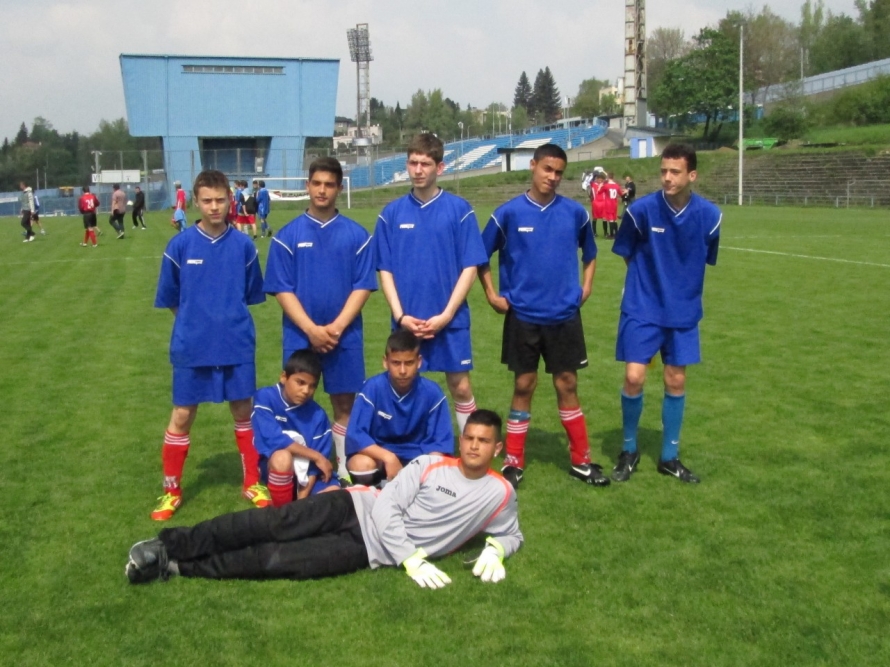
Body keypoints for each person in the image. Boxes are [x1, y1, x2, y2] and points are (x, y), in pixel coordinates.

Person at [125, 409, 521, 587]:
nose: (473, 446)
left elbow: (511, 532)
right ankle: (168, 543)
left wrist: (496, 549)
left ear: (497, 448)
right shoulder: (431, 464)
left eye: (483, 441)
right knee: (270, 523)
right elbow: (387, 506)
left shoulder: (500, 493)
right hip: (354, 506)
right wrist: (411, 558)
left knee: (280, 561)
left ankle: (176, 567)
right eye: (469, 438)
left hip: (367, 551)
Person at [478, 143, 608, 490]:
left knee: (567, 383)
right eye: (547, 169)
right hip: (523, 315)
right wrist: (491, 294)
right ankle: (513, 461)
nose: (553, 177)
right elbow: (479, 254)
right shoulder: (508, 213)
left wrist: (586, 287)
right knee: (524, 384)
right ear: (533, 166)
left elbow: (590, 253)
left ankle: (581, 460)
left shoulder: (575, 213)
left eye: (559, 172)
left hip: (563, 315)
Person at [151, 169, 269, 521]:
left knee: (243, 411)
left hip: (236, 344)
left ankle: (252, 482)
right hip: (192, 346)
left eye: (220, 200)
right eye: (207, 201)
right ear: (195, 201)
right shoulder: (180, 245)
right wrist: (194, 321)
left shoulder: (244, 246)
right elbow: (172, 298)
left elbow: (250, 294)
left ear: (230, 200)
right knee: (182, 414)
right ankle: (171, 491)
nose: (214, 207)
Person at [611, 143, 721, 484]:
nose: (667, 178)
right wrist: (646, 285)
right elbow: (626, 252)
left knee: (676, 380)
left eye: (675, 172)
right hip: (642, 307)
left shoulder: (710, 216)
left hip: (683, 312)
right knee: (634, 377)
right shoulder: (640, 211)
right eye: (663, 171)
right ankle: (629, 450)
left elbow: (704, 258)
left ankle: (669, 457)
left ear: (692, 175)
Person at [264, 157, 376, 481]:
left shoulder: (357, 235)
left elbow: (363, 286)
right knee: (296, 402)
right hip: (300, 336)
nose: (322, 190)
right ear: (308, 185)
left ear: (339, 188)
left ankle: (343, 468)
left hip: (345, 336)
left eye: (329, 184)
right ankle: (303, 471)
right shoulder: (287, 236)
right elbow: (282, 289)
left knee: (345, 403)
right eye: (316, 183)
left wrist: (336, 328)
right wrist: (311, 329)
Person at [374, 133, 487, 433]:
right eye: (413, 163)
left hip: (450, 320)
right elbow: (385, 270)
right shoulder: (391, 214)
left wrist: (446, 315)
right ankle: (406, 448)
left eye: (425, 164)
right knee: (403, 385)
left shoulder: (460, 210)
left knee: (460, 386)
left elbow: (470, 267)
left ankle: (470, 451)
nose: (418, 170)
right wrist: (400, 316)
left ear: (440, 167)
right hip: (406, 321)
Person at [346, 330, 454, 487]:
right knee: (360, 464)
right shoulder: (372, 388)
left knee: (438, 464)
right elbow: (355, 435)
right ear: (385, 362)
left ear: (419, 362)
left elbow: (440, 444)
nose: (402, 371)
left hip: (417, 458)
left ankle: (417, 494)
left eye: (409, 363)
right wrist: (388, 457)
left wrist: (421, 467)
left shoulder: (433, 393)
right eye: (396, 363)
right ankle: (374, 493)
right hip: (381, 457)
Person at [252, 350, 341, 506]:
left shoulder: (318, 415)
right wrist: (316, 456)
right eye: (300, 382)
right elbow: (275, 440)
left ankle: (297, 510)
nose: (306, 391)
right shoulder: (265, 398)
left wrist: (301, 501)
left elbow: (316, 467)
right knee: (282, 458)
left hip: (308, 476)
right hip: (275, 468)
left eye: (312, 386)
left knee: (333, 495)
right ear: (284, 377)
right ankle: (282, 510)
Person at [603, 172, 623, 239]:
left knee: (610, 219)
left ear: (608, 177)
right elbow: (621, 194)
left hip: (608, 203)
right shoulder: (617, 185)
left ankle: (611, 234)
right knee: (614, 218)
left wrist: (604, 183)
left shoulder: (606, 185)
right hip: (615, 203)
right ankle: (616, 233)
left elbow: (600, 191)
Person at [589, 172, 608, 238]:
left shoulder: (604, 185)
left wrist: (604, 173)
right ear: (596, 179)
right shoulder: (593, 184)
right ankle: (594, 233)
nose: (599, 180)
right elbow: (590, 181)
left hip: (603, 203)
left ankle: (605, 233)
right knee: (594, 218)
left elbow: (607, 179)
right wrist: (594, 175)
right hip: (596, 203)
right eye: (598, 179)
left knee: (604, 218)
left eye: (601, 179)